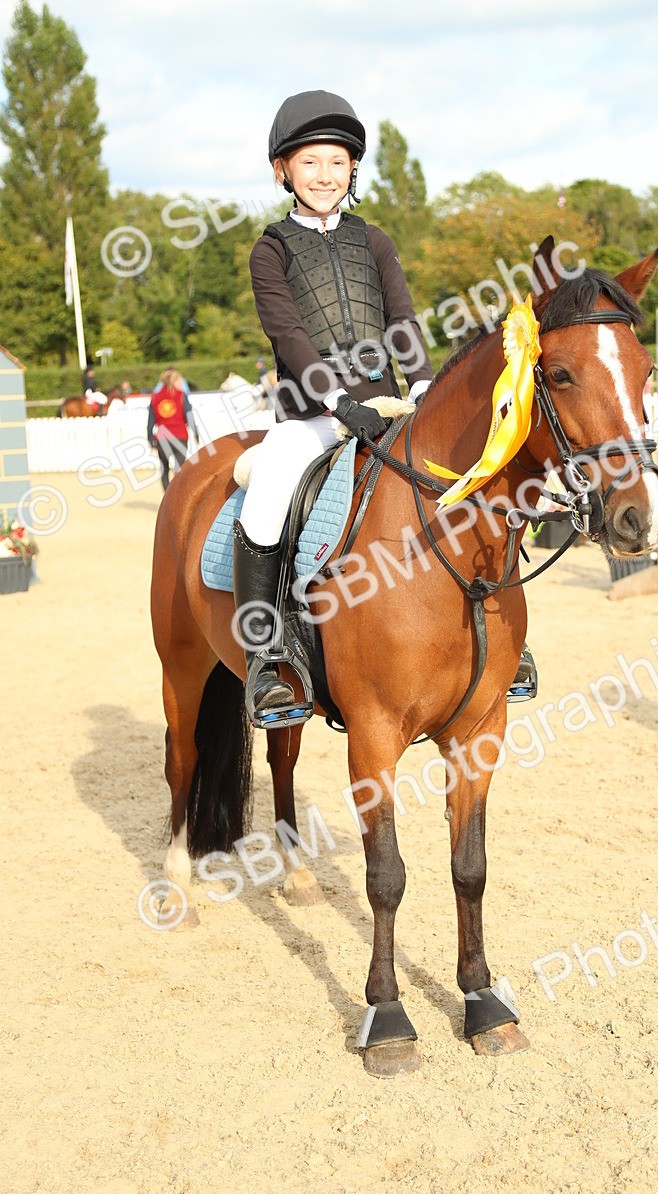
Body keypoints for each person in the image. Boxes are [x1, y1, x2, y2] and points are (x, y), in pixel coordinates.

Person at [235, 90, 435, 724]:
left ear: (353, 170)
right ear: (283, 171)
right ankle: (268, 656)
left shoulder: (373, 241)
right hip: (311, 416)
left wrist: (425, 387)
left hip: (389, 405)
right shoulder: (270, 250)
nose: (325, 175)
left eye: (337, 162)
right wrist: (339, 403)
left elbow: (401, 320)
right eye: (311, 162)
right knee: (269, 484)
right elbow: (290, 335)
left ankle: (502, 639)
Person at [147, 368, 198, 491]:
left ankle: (167, 499)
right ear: (174, 380)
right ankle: (177, 497)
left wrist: (150, 440)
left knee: (164, 469)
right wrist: (196, 435)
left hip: (162, 437)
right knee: (179, 470)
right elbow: (189, 417)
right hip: (179, 435)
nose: (181, 383)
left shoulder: (155, 397)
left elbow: (150, 422)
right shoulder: (181, 395)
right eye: (180, 381)